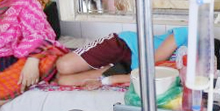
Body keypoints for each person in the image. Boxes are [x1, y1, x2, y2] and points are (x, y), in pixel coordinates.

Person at [56, 27, 188, 89]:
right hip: (126, 47)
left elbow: (155, 78)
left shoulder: (197, 70)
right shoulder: (188, 33)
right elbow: (152, 64)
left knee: (64, 81)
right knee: (63, 66)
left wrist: (107, 80)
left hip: (129, 69)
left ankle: (107, 68)